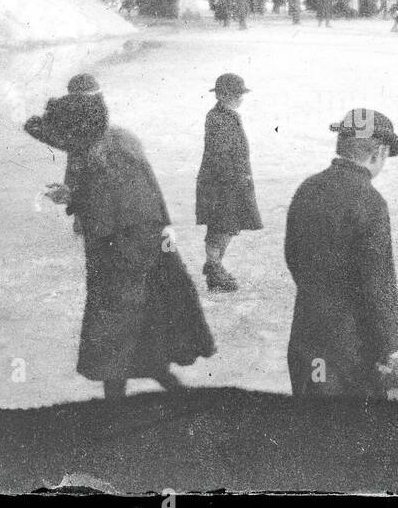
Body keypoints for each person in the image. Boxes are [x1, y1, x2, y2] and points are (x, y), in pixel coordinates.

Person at [25, 75, 214, 399]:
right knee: (145, 318)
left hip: (123, 251)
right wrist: (74, 197)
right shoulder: (116, 141)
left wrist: (75, 200)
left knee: (117, 323)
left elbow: (111, 210)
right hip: (143, 245)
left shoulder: (102, 154)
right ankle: (158, 382)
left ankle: (120, 399)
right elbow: (119, 198)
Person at [284, 109, 398, 401]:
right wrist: (388, 346)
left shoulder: (307, 188)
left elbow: (293, 256)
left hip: (306, 335)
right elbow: (378, 284)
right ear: (379, 152)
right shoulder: (371, 202)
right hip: (352, 349)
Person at [196, 73, 263, 292]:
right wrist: (234, 180)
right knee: (220, 228)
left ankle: (214, 266)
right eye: (237, 94)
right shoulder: (218, 118)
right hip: (222, 185)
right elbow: (221, 155)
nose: (241, 98)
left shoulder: (226, 115)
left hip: (229, 183)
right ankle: (213, 268)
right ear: (224, 95)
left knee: (227, 227)